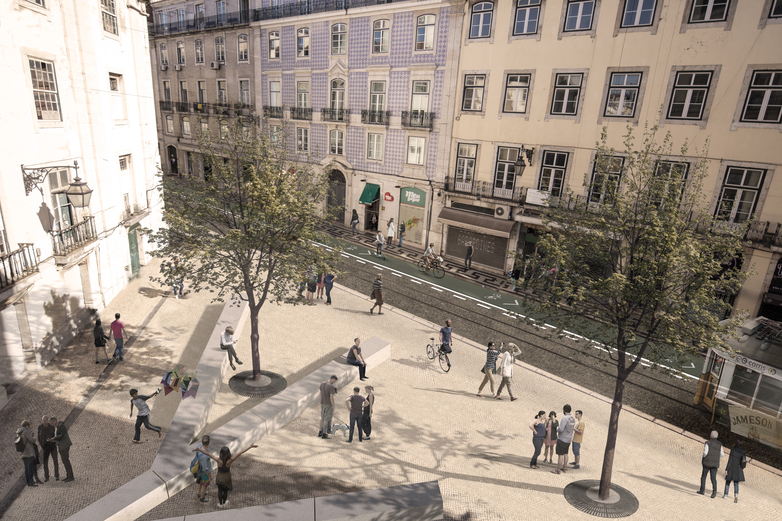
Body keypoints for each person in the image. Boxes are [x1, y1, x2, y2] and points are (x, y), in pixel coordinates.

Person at [193, 444, 257, 507]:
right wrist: (250, 447)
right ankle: (224, 502)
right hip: (227, 477)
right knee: (225, 491)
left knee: (220, 490)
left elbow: (208, 454)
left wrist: (199, 450)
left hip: (219, 477)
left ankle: (220, 503)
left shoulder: (218, 460)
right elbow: (240, 452)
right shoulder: (230, 460)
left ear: (221, 453)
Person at [698, 430, 724, 498]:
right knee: (713, 478)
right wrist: (717, 457)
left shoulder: (708, 442)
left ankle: (702, 490)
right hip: (715, 463)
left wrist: (703, 457)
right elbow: (722, 454)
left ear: (711, 435)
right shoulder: (720, 444)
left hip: (707, 462)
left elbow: (705, 452)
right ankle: (714, 491)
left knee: (704, 476)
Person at [48, 416, 74, 482]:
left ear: (54, 421)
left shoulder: (60, 426)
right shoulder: (57, 426)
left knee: (66, 460)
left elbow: (62, 435)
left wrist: (54, 438)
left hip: (64, 445)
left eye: (51, 423)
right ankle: (68, 475)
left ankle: (70, 476)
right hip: (61, 445)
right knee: (64, 461)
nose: (51, 425)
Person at [552, 404, 576, 474]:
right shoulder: (572, 418)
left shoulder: (564, 418)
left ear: (564, 410)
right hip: (568, 439)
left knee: (560, 455)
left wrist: (557, 428)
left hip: (562, 438)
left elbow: (561, 429)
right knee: (566, 454)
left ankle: (558, 470)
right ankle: (564, 468)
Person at [17, 420, 38, 487]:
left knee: (26, 468)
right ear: (26, 426)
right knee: (30, 468)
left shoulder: (19, 433)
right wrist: (33, 437)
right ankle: (31, 482)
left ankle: (28, 482)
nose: (29, 427)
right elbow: (32, 440)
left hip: (23, 453)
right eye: (28, 426)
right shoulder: (26, 431)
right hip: (29, 452)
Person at [38, 416, 59, 482]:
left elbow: (55, 435)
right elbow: (39, 437)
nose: (44, 422)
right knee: (45, 462)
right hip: (45, 447)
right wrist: (42, 445)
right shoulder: (40, 427)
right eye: (43, 420)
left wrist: (55, 443)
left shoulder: (52, 427)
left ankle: (57, 475)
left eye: (45, 420)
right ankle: (46, 477)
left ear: (47, 420)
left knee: (55, 461)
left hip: (52, 446)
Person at [193, 435, 212, 503]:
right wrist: (210, 476)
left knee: (200, 482)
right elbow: (205, 469)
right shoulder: (205, 456)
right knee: (205, 485)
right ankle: (202, 497)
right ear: (209, 443)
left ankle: (199, 493)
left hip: (199, 469)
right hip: (204, 473)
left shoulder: (199, 447)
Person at [319, 375, 338, 439]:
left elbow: (320, 394)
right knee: (326, 420)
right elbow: (331, 397)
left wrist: (322, 400)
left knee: (322, 418)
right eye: (335, 381)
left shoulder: (322, 383)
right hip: (328, 404)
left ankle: (320, 432)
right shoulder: (331, 386)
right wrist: (333, 405)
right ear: (333, 379)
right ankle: (324, 434)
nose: (334, 382)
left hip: (322, 403)